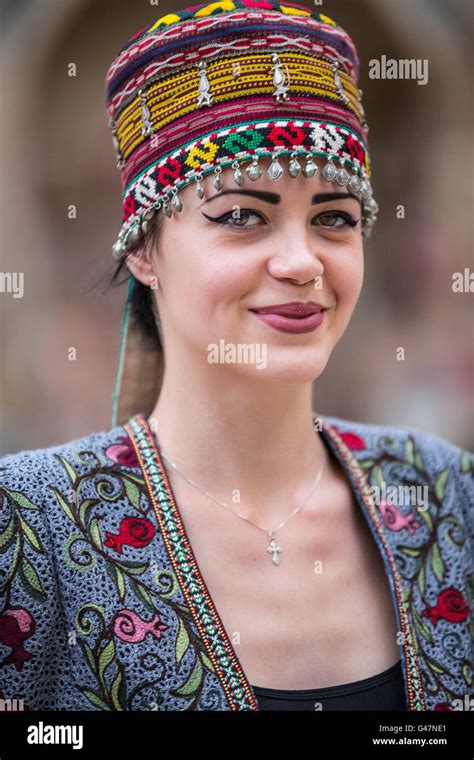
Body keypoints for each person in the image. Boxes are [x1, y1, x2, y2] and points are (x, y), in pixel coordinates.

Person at [0, 0, 472, 712]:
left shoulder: (447, 497)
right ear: (146, 251)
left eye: (334, 218)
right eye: (243, 216)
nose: (301, 261)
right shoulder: (30, 526)